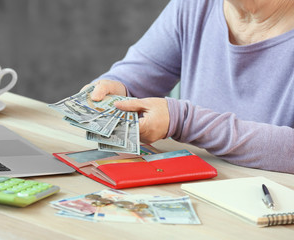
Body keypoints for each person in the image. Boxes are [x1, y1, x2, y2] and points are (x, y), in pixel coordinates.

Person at [81, 0, 294, 174]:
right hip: (194, 188)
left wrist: (183, 121)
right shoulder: (193, 6)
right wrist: (115, 89)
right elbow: (141, 73)